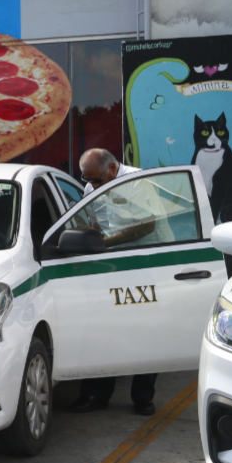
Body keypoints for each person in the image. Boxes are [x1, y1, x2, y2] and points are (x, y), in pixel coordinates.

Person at [69, 148, 158, 417]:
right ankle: (97, 394)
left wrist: (106, 243)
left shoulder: (138, 182)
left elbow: (147, 225)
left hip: (143, 264)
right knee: (105, 330)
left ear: (112, 168)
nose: (92, 186)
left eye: (97, 180)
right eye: (88, 180)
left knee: (145, 333)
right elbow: (93, 223)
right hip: (108, 267)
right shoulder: (90, 186)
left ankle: (143, 398)